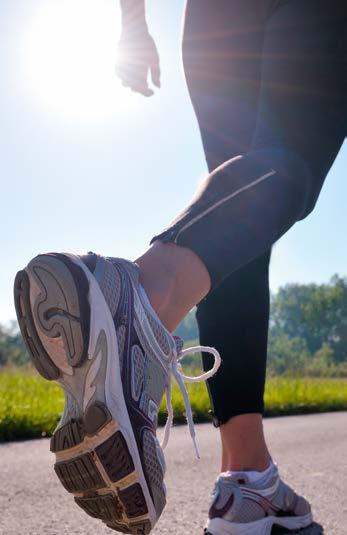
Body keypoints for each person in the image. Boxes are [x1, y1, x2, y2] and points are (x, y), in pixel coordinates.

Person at [14, 1, 346, 534]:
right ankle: (141, 298)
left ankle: (248, 479)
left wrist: (132, 23)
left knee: (239, 230)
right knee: (290, 162)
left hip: (213, 19)